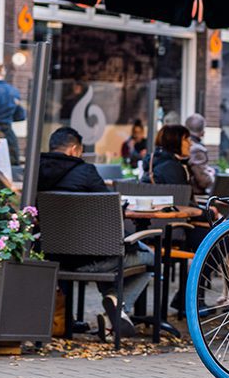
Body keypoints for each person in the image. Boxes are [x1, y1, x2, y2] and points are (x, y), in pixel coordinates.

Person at [38, 126, 151, 337]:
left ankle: (112, 310)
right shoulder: (86, 172)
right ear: (73, 150)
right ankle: (117, 309)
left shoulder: (35, 172)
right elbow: (110, 211)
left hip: (53, 257)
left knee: (110, 249)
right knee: (150, 257)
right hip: (94, 259)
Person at [183, 113, 216, 195]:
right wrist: (211, 174)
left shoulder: (183, 145)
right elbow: (204, 181)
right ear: (202, 131)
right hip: (194, 196)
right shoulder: (196, 149)